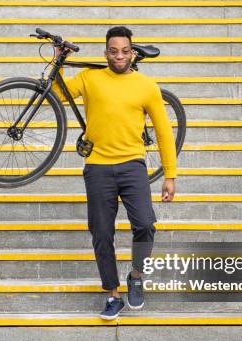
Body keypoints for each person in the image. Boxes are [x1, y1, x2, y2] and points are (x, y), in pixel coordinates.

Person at [51, 26, 177, 320]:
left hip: (133, 164)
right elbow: (57, 93)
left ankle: (136, 275)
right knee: (101, 233)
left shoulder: (147, 86)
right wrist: (57, 61)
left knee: (145, 224)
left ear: (132, 53)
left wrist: (170, 174)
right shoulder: (89, 77)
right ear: (105, 53)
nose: (118, 55)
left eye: (124, 50)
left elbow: (163, 132)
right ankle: (112, 294)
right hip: (97, 167)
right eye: (113, 50)